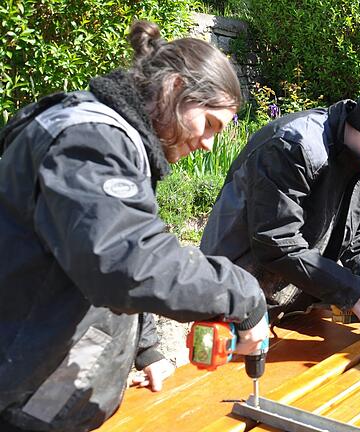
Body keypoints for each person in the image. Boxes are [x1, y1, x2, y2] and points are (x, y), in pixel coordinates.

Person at [0, 21, 268, 432]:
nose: (210, 144)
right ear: (175, 88)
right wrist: (243, 295)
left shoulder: (119, 140)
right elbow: (126, 262)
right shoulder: (89, 140)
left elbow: (105, 248)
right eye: (210, 123)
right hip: (22, 395)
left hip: (49, 392)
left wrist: (145, 349)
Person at [201, 77, 360, 323]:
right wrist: (350, 290)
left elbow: (358, 234)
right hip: (234, 302)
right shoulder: (293, 146)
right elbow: (277, 242)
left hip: (293, 304)